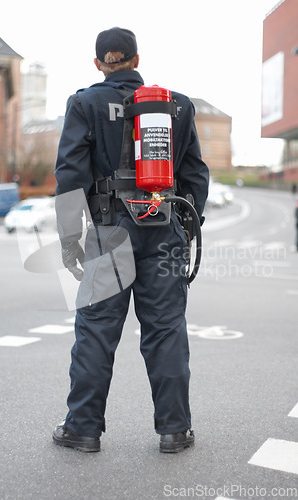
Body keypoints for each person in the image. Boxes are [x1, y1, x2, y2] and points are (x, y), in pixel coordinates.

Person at [52, 27, 209, 453]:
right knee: (166, 331)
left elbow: (70, 175)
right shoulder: (177, 106)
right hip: (165, 230)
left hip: (110, 233)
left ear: (99, 63)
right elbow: (195, 174)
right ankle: (174, 431)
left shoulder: (84, 103)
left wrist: (70, 240)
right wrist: (188, 228)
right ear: (137, 61)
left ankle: (82, 430)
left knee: (97, 332)